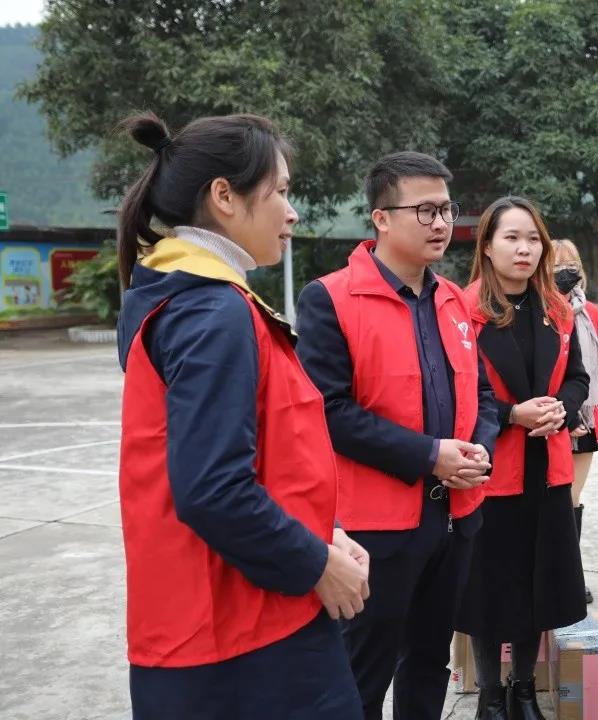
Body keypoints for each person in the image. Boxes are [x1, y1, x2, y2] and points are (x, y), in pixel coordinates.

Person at [115, 112, 368, 719]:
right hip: (242, 639)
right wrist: (315, 564)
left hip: (230, 620)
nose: (292, 212)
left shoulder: (185, 295)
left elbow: (261, 457)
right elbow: (213, 489)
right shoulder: (210, 312)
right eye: (280, 191)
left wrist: (320, 531)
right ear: (224, 197)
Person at [295, 151, 500, 720]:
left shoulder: (453, 299)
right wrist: (429, 455)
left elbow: (481, 393)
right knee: (364, 669)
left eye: (447, 209)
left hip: (455, 517)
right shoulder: (331, 298)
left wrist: (478, 449)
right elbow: (328, 410)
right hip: (376, 528)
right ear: (381, 218)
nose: (441, 223)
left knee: (430, 660)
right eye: (425, 210)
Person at [457, 196, 589, 720]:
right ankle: (491, 696)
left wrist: (563, 408)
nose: (524, 249)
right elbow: (455, 393)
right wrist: (512, 414)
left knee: (540, 589)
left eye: (534, 239)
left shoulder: (557, 308)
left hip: (547, 470)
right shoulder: (462, 309)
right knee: (490, 592)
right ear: (487, 246)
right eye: (511, 237)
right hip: (492, 473)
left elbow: (578, 377)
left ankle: (525, 690)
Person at [551, 238, 598, 605]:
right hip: (547, 421)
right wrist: (562, 414)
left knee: (570, 500)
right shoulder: (533, 310)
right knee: (546, 502)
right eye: (556, 266)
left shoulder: (590, 312)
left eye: (571, 265)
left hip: (584, 424)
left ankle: (568, 577)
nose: (565, 272)